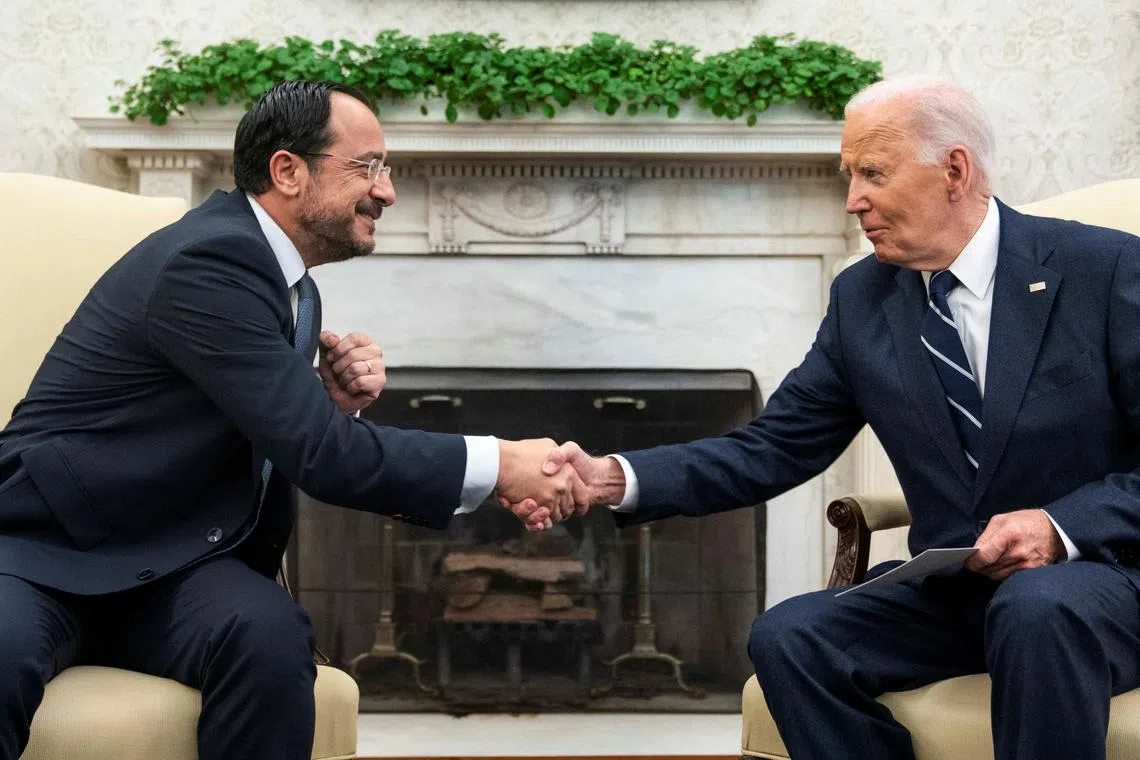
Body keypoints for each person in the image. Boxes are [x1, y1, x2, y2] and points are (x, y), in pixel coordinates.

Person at [518, 76, 1140, 759]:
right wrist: (613, 477)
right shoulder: (864, 300)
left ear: (954, 171)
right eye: (850, 176)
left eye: (873, 173)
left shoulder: (1103, 270)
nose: (853, 202)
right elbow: (773, 447)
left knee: (1037, 608)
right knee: (789, 636)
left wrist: (1059, 528)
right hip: (960, 591)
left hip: (1105, 582)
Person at [0, 79, 585, 760]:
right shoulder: (211, 260)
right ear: (287, 170)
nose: (388, 191)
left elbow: (272, 430)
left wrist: (324, 406)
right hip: (41, 556)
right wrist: (505, 463)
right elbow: (325, 455)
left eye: (385, 169)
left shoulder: (295, 291)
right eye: (366, 167)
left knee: (269, 635)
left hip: (171, 568)